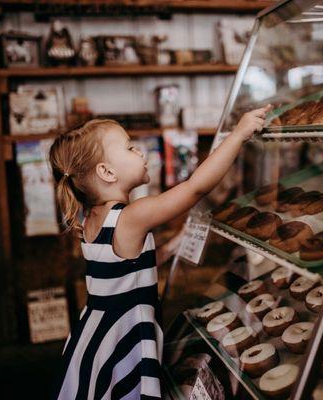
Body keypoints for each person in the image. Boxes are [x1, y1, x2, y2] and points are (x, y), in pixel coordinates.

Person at [49, 104, 271, 400]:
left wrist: (168, 247)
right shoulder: (132, 216)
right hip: (124, 333)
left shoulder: (90, 218)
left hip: (96, 334)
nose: (140, 152)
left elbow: (121, 267)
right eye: (129, 148)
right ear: (107, 172)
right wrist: (238, 134)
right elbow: (195, 188)